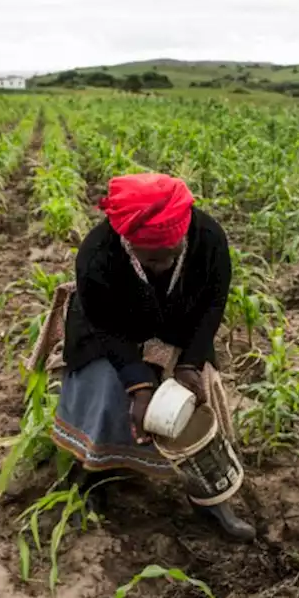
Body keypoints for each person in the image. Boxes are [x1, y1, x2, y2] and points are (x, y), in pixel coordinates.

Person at [48, 172, 256, 542]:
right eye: (150, 258)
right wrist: (139, 386)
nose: (160, 266)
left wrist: (191, 363)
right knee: (106, 388)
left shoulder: (209, 240)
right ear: (128, 240)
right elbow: (106, 328)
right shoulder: (98, 253)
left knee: (197, 402)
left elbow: (212, 305)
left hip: (179, 324)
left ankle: (209, 495)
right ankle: (93, 477)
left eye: (169, 256)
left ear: (184, 235)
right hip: (111, 328)